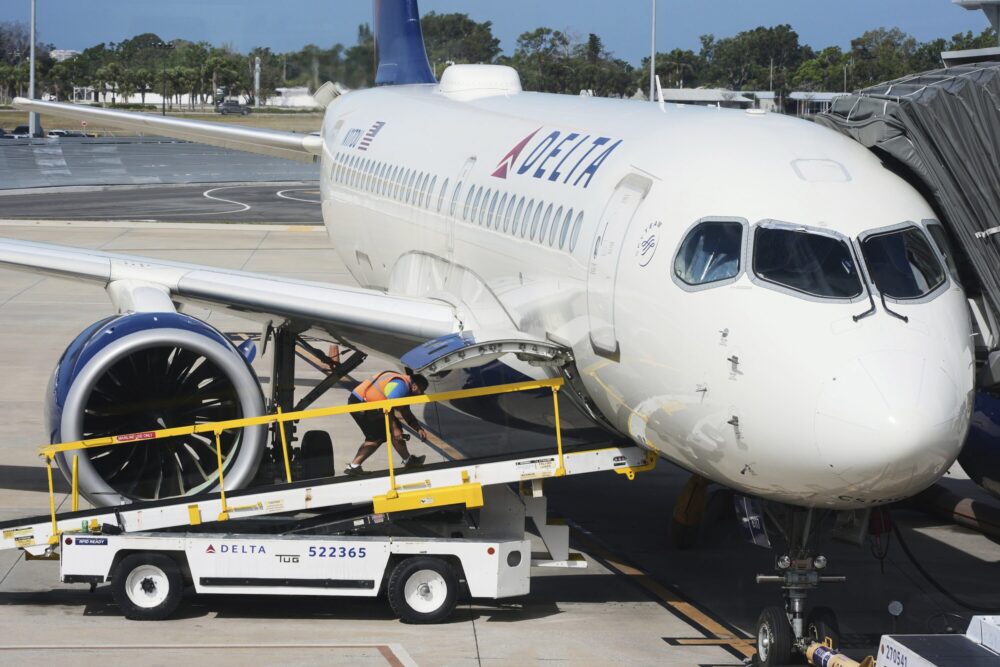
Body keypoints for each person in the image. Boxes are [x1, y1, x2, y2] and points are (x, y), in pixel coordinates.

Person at [344, 368, 429, 477]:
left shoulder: (404, 385)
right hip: (361, 404)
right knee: (378, 436)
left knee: (390, 431)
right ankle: (354, 466)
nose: (421, 394)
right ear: (415, 386)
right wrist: (395, 429)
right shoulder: (401, 386)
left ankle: (408, 460)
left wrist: (418, 428)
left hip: (367, 403)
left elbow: (405, 411)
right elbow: (388, 407)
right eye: (421, 390)